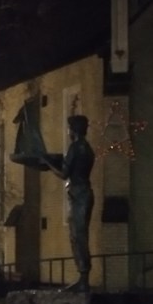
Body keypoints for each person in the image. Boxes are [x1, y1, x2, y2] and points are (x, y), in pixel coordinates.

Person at [44, 115, 95, 292]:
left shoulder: (76, 148)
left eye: (69, 128)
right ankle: (83, 276)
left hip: (79, 195)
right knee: (78, 236)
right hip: (83, 194)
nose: (67, 131)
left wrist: (48, 164)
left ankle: (83, 277)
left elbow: (64, 174)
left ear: (73, 130)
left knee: (78, 237)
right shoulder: (87, 148)